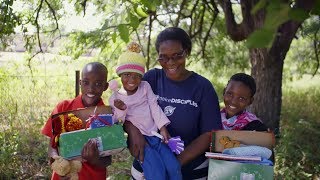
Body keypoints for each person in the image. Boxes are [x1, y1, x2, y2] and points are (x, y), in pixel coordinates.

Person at [124, 27, 222, 180]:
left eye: (177, 56)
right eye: (164, 57)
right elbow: (127, 108)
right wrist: (132, 130)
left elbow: (209, 133)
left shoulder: (203, 87)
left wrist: (175, 163)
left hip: (190, 170)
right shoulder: (151, 80)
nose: (171, 63)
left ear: (187, 51)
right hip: (148, 165)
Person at [109, 42, 182, 180]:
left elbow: (154, 106)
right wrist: (121, 109)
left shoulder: (145, 87)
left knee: (174, 168)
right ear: (120, 75)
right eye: (127, 75)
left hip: (156, 136)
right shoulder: (115, 98)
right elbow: (118, 121)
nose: (132, 79)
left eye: (136, 75)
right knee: (157, 172)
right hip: (141, 140)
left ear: (141, 77)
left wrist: (163, 128)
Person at [41, 62, 111, 180]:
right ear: (80, 83)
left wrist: (94, 159)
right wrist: (58, 164)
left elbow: (107, 160)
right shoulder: (63, 108)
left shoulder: (106, 116)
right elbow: (52, 146)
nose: (91, 89)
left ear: (105, 86)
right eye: (86, 82)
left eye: (98, 84)